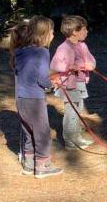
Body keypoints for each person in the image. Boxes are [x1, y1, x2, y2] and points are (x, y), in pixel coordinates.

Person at [10, 15, 62, 178]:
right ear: (44, 34)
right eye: (52, 32)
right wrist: (52, 84)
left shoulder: (20, 51)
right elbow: (42, 79)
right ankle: (42, 166)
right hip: (35, 100)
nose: (54, 35)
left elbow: (24, 74)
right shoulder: (42, 52)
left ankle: (28, 163)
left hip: (21, 99)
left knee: (28, 131)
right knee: (42, 133)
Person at [50, 15, 96, 150]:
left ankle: (77, 137)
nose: (87, 32)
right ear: (75, 32)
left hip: (80, 83)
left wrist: (86, 65)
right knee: (72, 112)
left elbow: (92, 62)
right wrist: (68, 67)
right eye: (84, 29)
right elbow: (55, 65)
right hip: (68, 85)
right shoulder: (63, 48)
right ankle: (70, 141)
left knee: (78, 109)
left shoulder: (83, 46)